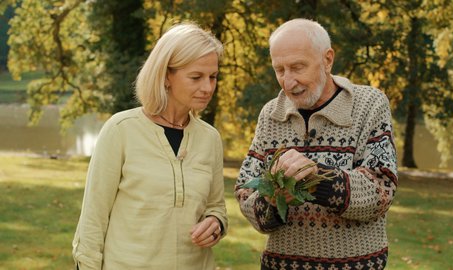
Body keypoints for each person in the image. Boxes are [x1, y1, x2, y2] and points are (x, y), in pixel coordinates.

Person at [235, 18, 397, 270]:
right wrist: (276, 200)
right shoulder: (271, 115)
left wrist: (316, 178)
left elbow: (380, 192)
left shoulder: (369, 105)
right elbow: (246, 194)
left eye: (297, 67)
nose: (287, 82)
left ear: (327, 60)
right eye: (280, 70)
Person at [72, 23, 228, 270]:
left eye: (213, 77)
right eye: (196, 77)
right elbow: (93, 218)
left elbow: (216, 206)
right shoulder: (120, 129)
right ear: (166, 75)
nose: (208, 87)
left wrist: (215, 223)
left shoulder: (210, 138)